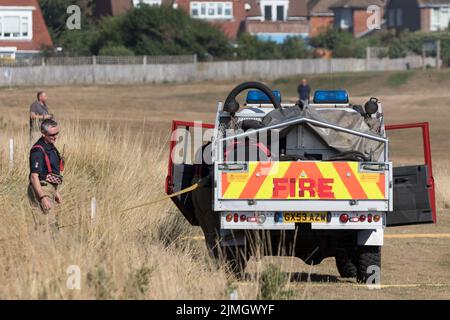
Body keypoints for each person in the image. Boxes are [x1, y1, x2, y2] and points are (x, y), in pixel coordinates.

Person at [28, 119, 63, 233]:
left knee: (50, 224)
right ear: (43, 133)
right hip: (42, 189)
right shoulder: (37, 150)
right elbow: (34, 177)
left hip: (50, 189)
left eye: (57, 133)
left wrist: (55, 192)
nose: (55, 137)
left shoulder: (51, 146)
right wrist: (43, 198)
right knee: (49, 224)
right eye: (52, 134)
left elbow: (50, 171)